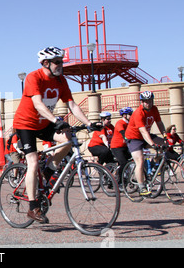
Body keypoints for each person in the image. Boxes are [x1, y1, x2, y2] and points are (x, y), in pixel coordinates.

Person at [13, 46, 96, 223]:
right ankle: (33, 207)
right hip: (26, 124)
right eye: (57, 62)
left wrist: (89, 123)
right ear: (45, 63)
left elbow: (72, 105)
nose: (61, 65)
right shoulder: (33, 77)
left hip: (45, 123)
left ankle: (48, 171)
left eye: (61, 61)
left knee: (68, 141)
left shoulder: (61, 80)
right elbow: (37, 104)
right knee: (33, 161)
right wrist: (55, 120)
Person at [125, 91, 167, 196]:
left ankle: (153, 167)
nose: (148, 103)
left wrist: (165, 136)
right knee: (140, 161)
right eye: (145, 101)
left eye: (150, 101)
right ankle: (142, 187)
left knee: (164, 145)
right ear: (142, 102)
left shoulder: (154, 109)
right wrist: (153, 145)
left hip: (146, 136)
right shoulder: (138, 113)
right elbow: (143, 131)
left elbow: (160, 123)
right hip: (134, 137)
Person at [110, 107, 133, 185]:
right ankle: (119, 182)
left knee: (133, 159)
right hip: (116, 147)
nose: (131, 116)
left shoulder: (130, 123)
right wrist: (127, 139)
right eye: (130, 114)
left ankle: (128, 178)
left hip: (125, 146)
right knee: (123, 163)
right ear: (124, 115)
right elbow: (123, 133)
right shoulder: (120, 123)